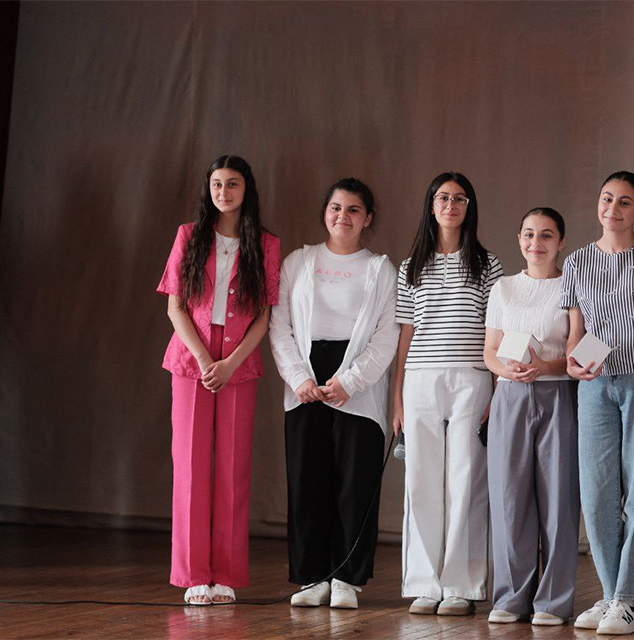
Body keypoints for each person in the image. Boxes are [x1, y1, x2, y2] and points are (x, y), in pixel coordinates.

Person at [270, 178, 399, 610]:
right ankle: (311, 577)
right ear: (325, 212)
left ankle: (347, 578)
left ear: (368, 218)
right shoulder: (298, 261)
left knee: (355, 483)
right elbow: (279, 326)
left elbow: (387, 335)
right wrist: (299, 378)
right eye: (336, 208)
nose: (343, 216)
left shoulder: (381, 269)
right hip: (305, 382)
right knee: (308, 481)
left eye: (353, 209)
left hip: (358, 384)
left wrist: (351, 381)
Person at [157, 155, 281, 605]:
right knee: (190, 467)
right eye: (216, 184)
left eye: (232, 184)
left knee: (233, 469)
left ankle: (225, 575)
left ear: (246, 190)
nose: (223, 192)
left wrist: (229, 363)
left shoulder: (266, 244)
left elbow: (264, 316)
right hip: (192, 357)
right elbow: (175, 307)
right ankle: (193, 576)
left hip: (239, 361)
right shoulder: (188, 236)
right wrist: (203, 357)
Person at [561, 171, 634, 635]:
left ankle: (626, 599)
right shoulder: (577, 261)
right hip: (595, 384)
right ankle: (609, 594)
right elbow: (575, 334)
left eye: (625, 202)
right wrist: (572, 363)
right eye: (607, 198)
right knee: (597, 492)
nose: (613, 208)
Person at [393, 172, 503, 616]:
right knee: (420, 479)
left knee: (466, 478)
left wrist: (496, 391)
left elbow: (496, 332)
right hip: (420, 378)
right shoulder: (410, 266)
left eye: (460, 199)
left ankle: (461, 585)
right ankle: (424, 583)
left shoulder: (488, 264)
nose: (451, 205)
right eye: (443, 197)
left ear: (469, 207)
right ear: (431, 204)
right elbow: (405, 336)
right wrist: (396, 399)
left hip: (472, 377)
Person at [483, 208, 580, 627]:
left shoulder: (572, 286)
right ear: (519, 238)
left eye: (545, 235)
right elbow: (490, 351)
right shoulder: (503, 287)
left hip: (558, 395)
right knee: (509, 498)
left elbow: (577, 354)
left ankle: (553, 602)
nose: (535, 243)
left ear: (561, 242)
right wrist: (507, 370)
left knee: (559, 499)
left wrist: (545, 366)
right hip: (510, 397)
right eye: (528, 234)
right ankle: (511, 598)